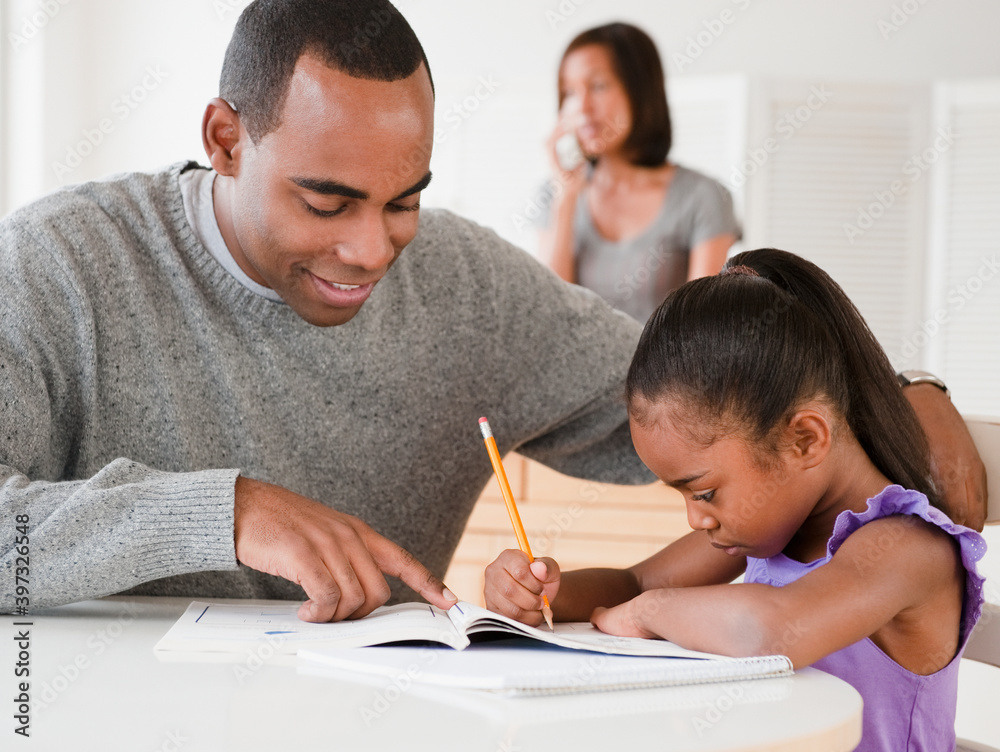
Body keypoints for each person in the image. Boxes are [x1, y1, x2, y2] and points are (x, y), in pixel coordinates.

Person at [0, 0, 984, 625]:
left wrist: (902, 387)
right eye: (326, 200)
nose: (374, 250)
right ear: (224, 137)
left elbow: (716, 389)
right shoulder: (58, 263)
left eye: (404, 198)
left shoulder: (465, 287)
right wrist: (224, 510)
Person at [484, 249, 985, 751]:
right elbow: (633, 581)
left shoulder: (906, 549)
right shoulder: (764, 527)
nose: (695, 517)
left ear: (805, 440)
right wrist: (545, 589)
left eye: (704, 492)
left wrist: (646, 612)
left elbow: (773, 628)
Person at [540, 22, 740, 323]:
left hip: (667, 371)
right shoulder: (555, 194)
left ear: (640, 91)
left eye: (598, 86)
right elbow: (550, 313)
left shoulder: (703, 197)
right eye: (569, 91)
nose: (581, 106)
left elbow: (700, 327)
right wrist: (566, 197)